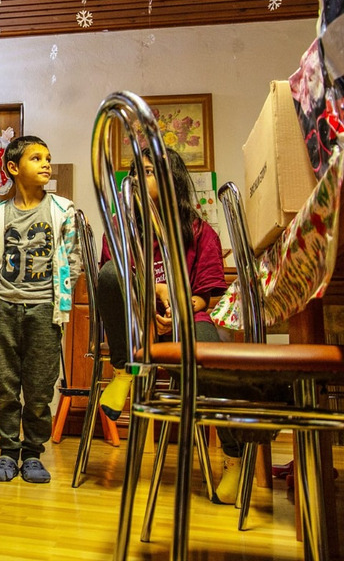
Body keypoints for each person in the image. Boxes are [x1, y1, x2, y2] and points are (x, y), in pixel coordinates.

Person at [95, 147, 244, 504]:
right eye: (135, 173)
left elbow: (207, 296)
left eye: (147, 172)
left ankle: (235, 457)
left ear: (170, 178)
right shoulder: (120, 227)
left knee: (212, 357)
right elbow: (114, 278)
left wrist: (179, 306)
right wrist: (151, 297)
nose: (137, 180)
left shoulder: (201, 231)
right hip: (137, 326)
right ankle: (124, 371)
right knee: (112, 274)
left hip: (188, 322)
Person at [0, 136, 83, 484]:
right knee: (6, 384)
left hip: (45, 310)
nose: (45, 164)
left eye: (48, 158)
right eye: (36, 158)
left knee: (40, 386)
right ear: (13, 168)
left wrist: (62, 296)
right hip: (4, 308)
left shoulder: (62, 210)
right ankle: (8, 451)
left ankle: (33, 454)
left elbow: (74, 257)